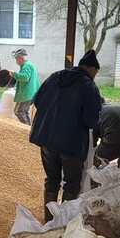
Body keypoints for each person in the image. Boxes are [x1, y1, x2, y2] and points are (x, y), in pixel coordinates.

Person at [29, 49, 102, 221]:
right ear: (91, 69)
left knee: (52, 180)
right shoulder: (89, 86)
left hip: (46, 139)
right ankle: (65, 222)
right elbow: (91, 121)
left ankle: (49, 220)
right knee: (71, 184)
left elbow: (37, 101)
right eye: (96, 73)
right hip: (71, 143)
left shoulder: (56, 76)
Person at [9, 49, 40, 125]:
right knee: (24, 112)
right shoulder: (28, 64)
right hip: (30, 93)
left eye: (17, 59)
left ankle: (26, 129)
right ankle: (29, 129)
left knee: (18, 111)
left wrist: (14, 74)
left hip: (26, 94)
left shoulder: (26, 66)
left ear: (21, 58)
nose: (16, 61)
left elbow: (25, 77)